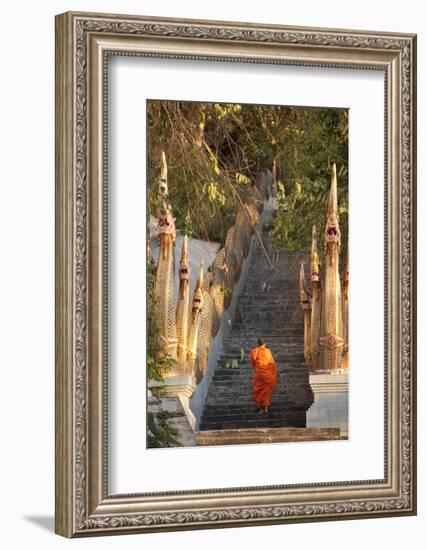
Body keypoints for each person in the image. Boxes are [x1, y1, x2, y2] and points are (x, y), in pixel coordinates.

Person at [250, 337, 277, 414]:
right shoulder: (267, 351)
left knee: (259, 390)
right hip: (267, 374)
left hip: (259, 374)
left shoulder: (254, 351)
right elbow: (272, 363)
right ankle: (265, 409)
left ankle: (261, 409)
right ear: (265, 344)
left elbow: (253, 363)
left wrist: (257, 370)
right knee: (266, 390)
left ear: (257, 344)